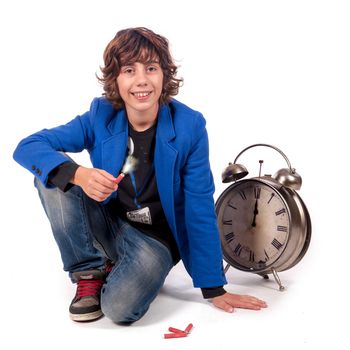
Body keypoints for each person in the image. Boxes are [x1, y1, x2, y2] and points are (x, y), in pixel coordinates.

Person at [13, 27, 267, 323]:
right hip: (111, 221)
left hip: (155, 239)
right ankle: (88, 272)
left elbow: (199, 207)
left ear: (164, 75)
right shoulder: (100, 115)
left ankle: (116, 266)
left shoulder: (190, 127)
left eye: (151, 68)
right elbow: (29, 146)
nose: (141, 80)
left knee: (119, 310)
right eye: (129, 70)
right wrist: (77, 174)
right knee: (53, 177)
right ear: (116, 80)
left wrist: (214, 288)